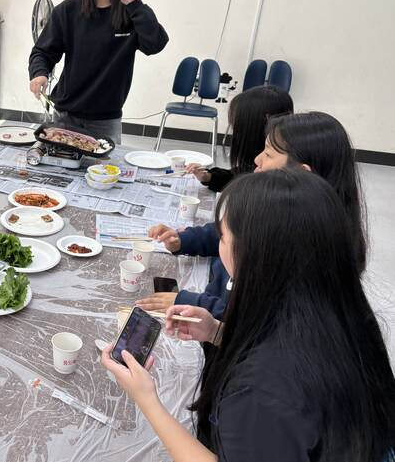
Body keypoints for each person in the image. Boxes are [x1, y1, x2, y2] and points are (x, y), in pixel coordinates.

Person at [103, 170, 395, 461]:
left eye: (223, 236)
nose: (219, 245)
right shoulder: (339, 307)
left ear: (255, 255)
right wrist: (219, 332)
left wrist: (146, 399)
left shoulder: (261, 392)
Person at [138, 111, 366, 317]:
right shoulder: (276, 207)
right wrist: (184, 240)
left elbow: (249, 319)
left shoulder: (302, 252)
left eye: (268, 154)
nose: (257, 160)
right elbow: (228, 231)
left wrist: (191, 302)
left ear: (302, 173)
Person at [28, 0, 168, 144]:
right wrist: (39, 74)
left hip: (106, 120)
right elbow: (43, 51)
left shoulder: (131, 14)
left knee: (106, 175)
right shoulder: (68, 10)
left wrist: (136, 5)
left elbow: (156, 43)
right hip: (65, 116)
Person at [185, 85, 293, 192]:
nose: (235, 130)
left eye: (239, 125)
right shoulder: (266, 154)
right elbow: (241, 175)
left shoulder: (280, 172)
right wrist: (209, 177)